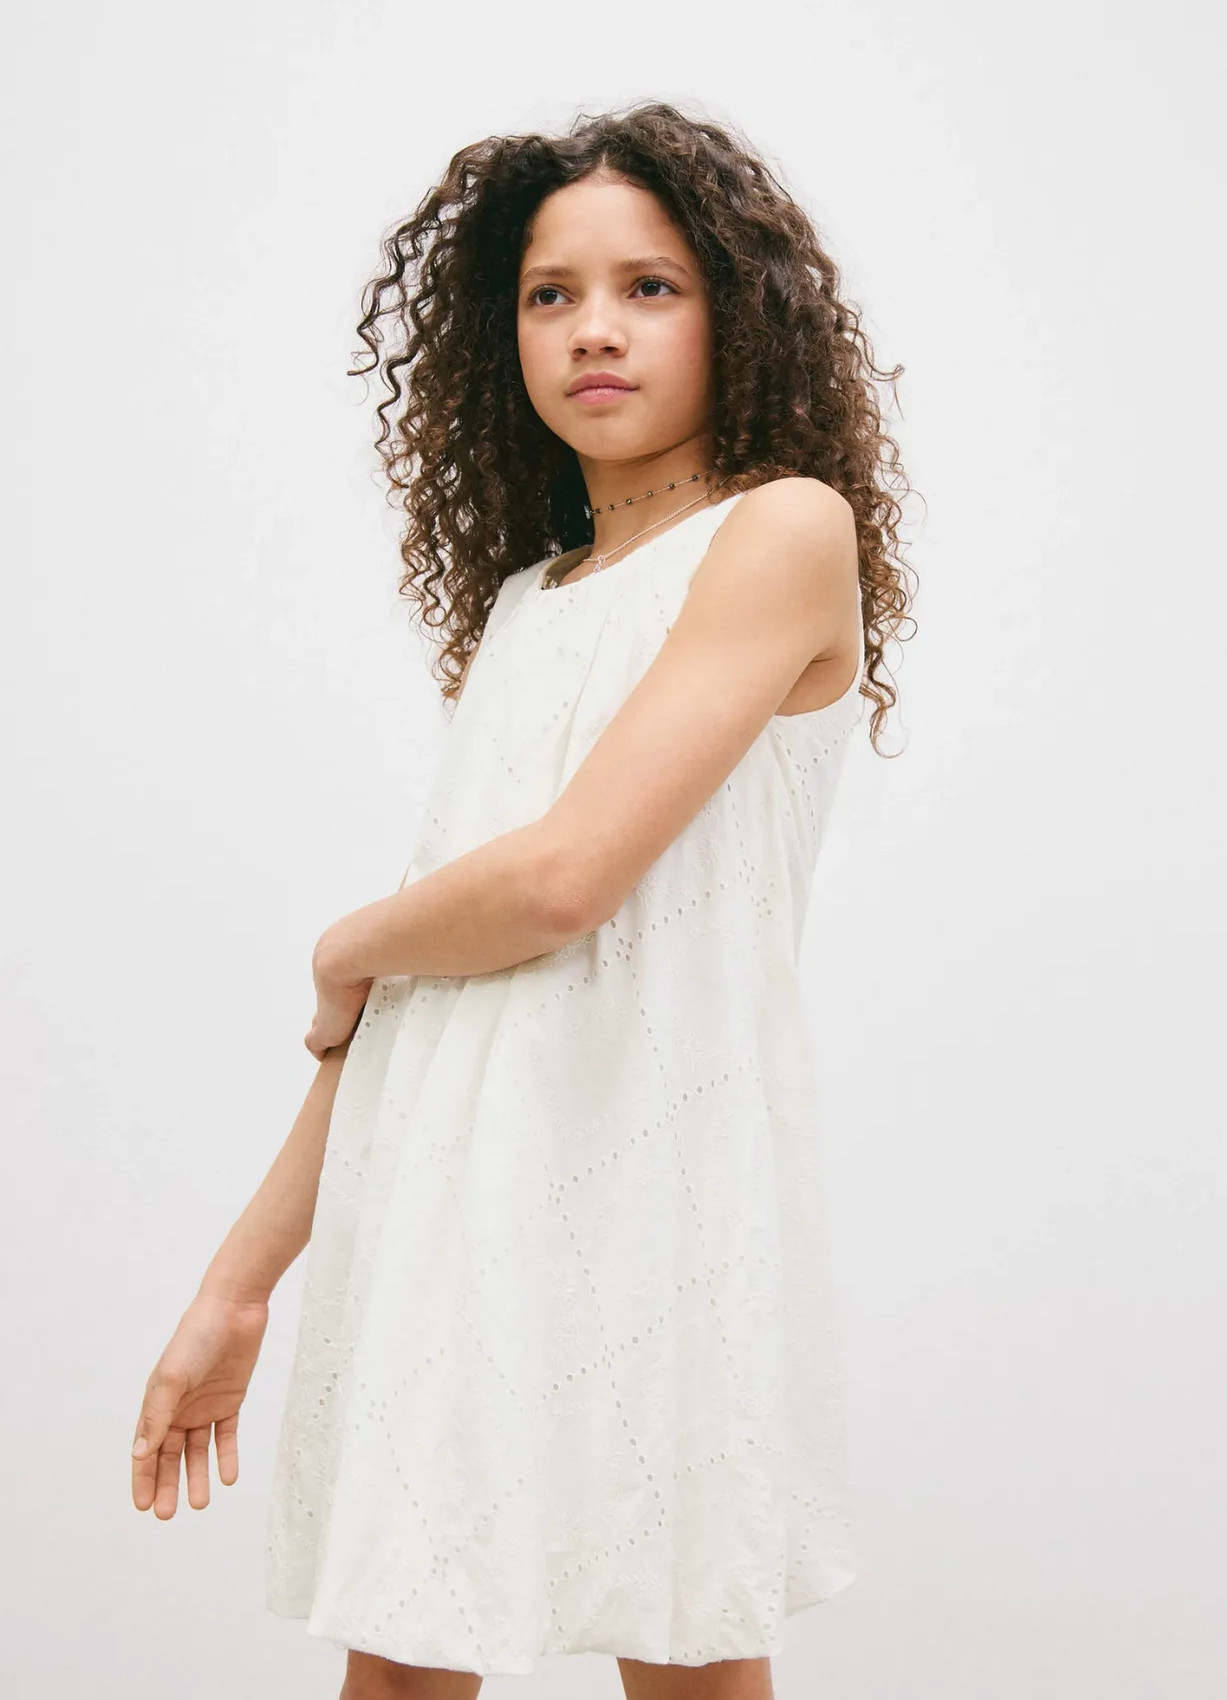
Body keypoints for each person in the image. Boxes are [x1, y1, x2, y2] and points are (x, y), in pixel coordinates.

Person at [129, 100, 916, 1699]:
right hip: (452, 1201)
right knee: (404, 1668)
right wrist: (237, 1282)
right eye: (551, 294)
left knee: (687, 1657)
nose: (593, 330)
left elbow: (556, 883)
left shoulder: (783, 529)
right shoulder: (526, 606)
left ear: (740, 313)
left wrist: (344, 943)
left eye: (650, 286)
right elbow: (436, 989)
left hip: (663, 1197)